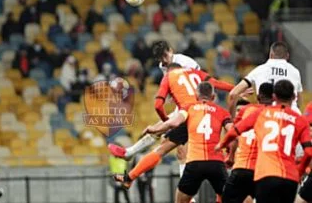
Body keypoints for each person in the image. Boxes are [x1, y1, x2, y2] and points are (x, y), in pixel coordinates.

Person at [111, 64, 234, 192]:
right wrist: (236, 88)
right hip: (212, 143)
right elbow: (215, 83)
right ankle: (129, 170)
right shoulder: (196, 74)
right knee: (223, 190)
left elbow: (159, 107)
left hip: (189, 117)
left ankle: (130, 171)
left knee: (163, 149)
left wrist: (158, 127)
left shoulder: (170, 77)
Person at [216, 80, 312, 203]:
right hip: (289, 176)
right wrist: (299, 171)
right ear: (294, 97)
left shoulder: (258, 113)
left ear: (274, 97)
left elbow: (234, 131)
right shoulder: (299, 119)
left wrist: (223, 146)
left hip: (263, 172)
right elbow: (308, 152)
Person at [142, 82, 233, 203]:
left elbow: (173, 123)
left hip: (195, 163)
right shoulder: (222, 112)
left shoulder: (189, 107)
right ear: (213, 97)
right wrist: (230, 152)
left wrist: (154, 129)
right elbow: (233, 133)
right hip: (216, 163)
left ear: (196, 95)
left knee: (180, 201)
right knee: (229, 198)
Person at [222, 83, 274, 203]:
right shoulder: (277, 116)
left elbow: (233, 134)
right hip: (264, 171)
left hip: (243, 168)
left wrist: (230, 156)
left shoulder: (247, 110)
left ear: (258, 97)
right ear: (274, 97)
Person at [228, 41, 303, 114]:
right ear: (287, 56)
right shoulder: (295, 71)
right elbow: (299, 100)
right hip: (291, 114)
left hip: (266, 114)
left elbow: (233, 94)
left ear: (270, 55)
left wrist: (232, 118)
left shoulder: (260, 70)